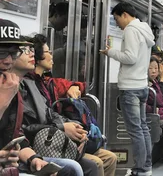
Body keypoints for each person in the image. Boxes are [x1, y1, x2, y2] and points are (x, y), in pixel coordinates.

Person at [0, 19, 84, 176]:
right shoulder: (9, 90)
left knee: (72, 169)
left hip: (11, 164)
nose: (8, 61)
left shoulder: (15, 88)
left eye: (13, 54)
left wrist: (34, 159)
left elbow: (16, 136)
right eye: (2, 53)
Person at [27, 35, 118, 176]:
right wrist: (63, 128)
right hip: (45, 141)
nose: (52, 56)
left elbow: (77, 87)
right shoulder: (26, 85)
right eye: (48, 52)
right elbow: (34, 123)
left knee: (110, 158)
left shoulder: (47, 83)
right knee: (95, 164)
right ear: (38, 58)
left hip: (55, 134)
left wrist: (77, 129)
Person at [10, 32, 99, 176]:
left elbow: (47, 114)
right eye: (25, 50)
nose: (31, 54)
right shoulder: (20, 86)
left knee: (94, 163)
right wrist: (62, 128)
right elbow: (20, 131)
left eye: (32, 50)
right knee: (78, 167)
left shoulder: (34, 84)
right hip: (30, 147)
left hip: (28, 148)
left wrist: (77, 128)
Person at [100, 3, 155, 176]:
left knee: (136, 130)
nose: (117, 24)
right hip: (142, 85)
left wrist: (111, 52)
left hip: (130, 87)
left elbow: (130, 57)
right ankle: (146, 166)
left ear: (124, 14)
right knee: (143, 128)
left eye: (116, 19)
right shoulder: (144, 29)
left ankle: (140, 169)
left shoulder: (131, 30)